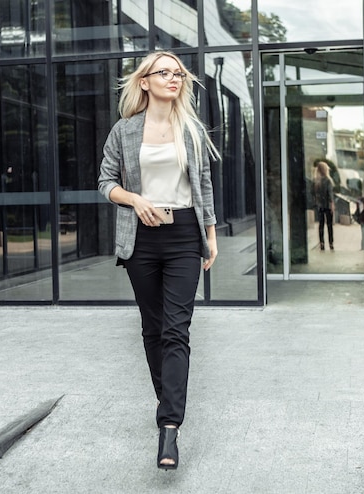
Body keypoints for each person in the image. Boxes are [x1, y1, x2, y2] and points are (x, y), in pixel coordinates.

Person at [98, 51, 219, 471]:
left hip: (185, 233)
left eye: (178, 73)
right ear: (145, 82)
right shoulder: (125, 130)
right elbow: (105, 181)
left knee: (176, 328)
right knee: (152, 329)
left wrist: (210, 233)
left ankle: (169, 425)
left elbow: (202, 182)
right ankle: (167, 399)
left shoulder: (191, 129)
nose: (174, 78)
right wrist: (134, 199)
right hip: (142, 240)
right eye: (164, 72)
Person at [313, 160, 335, 250]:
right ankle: (331, 243)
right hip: (327, 205)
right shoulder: (328, 180)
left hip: (320, 205)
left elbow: (312, 193)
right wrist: (332, 204)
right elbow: (330, 194)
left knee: (321, 224)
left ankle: (322, 242)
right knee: (329, 225)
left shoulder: (316, 181)